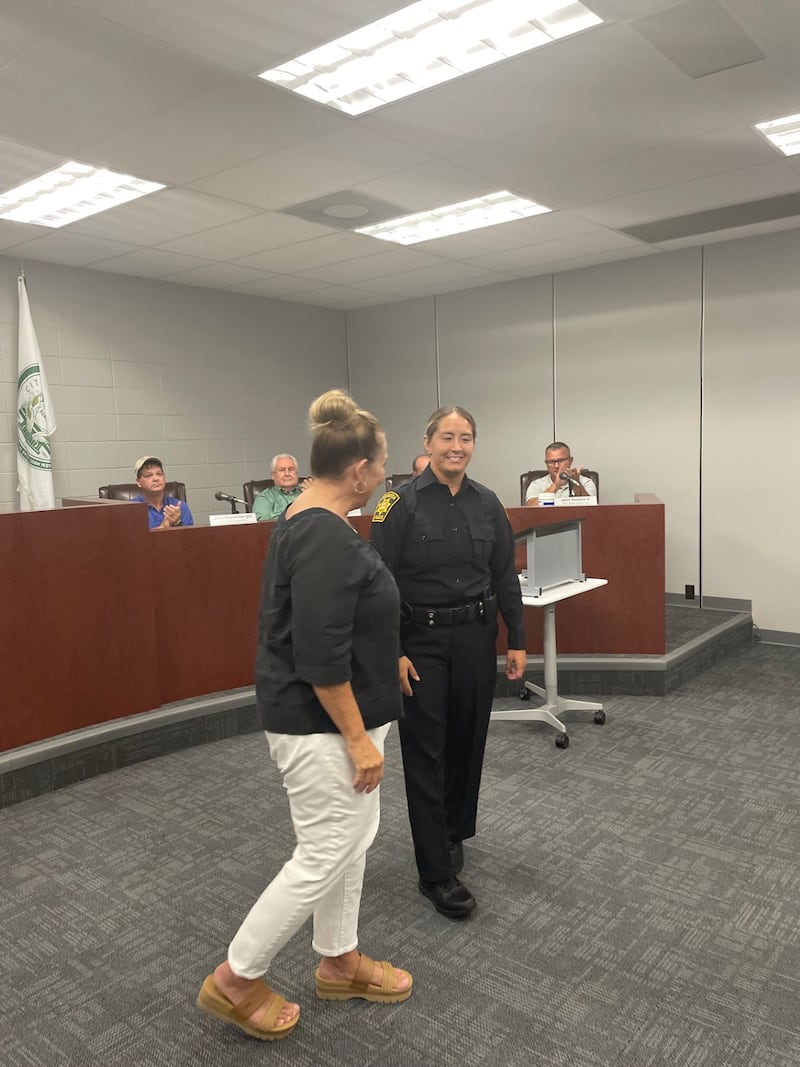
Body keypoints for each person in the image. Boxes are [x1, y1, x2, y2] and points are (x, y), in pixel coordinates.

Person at [197, 390, 411, 1042]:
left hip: (342, 718)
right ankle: (236, 977)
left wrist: (384, 661)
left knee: (352, 839)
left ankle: (340, 957)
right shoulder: (323, 536)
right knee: (322, 851)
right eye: (382, 467)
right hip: (320, 726)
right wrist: (358, 738)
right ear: (358, 471)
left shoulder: (316, 517)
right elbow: (319, 658)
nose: (384, 477)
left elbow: (340, 624)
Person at [370, 406, 526, 920]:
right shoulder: (398, 504)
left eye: (465, 438)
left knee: (467, 740)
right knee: (426, 752)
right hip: (422, 645)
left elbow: (504, 574)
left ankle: (452, 832)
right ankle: (435, 871)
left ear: (474, 445)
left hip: (477, 639)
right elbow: (380, 584)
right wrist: (391, 651)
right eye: (446, 437)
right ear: (428, 441)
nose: (456, 446)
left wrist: (517, 640)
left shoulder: (488, 503)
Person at [131, 456, 193, 531]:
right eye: (148, 475)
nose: (156, 479)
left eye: (159, 474)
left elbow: (190, 539)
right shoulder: (131, 509)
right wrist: (163, 527)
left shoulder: (179, 506)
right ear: (139, 482)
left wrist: (177, 523)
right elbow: (131, 540)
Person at [525, 441, 596, 505]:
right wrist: (556, 485)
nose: (556, 466)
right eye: (551, 462)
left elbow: (591, 510)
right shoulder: (537, 484)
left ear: (570, 461)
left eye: (560, 460)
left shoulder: (586, 482)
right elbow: (530, 508)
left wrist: (577, 484)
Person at [252, 454, 310, 520]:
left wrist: (313, 497)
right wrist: (293, 511)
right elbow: (261, 522)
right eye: (282, 470)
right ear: (273, 475)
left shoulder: (307, 493)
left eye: (291, 469)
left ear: (296, 473)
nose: (287, 474)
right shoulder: (265, 497)